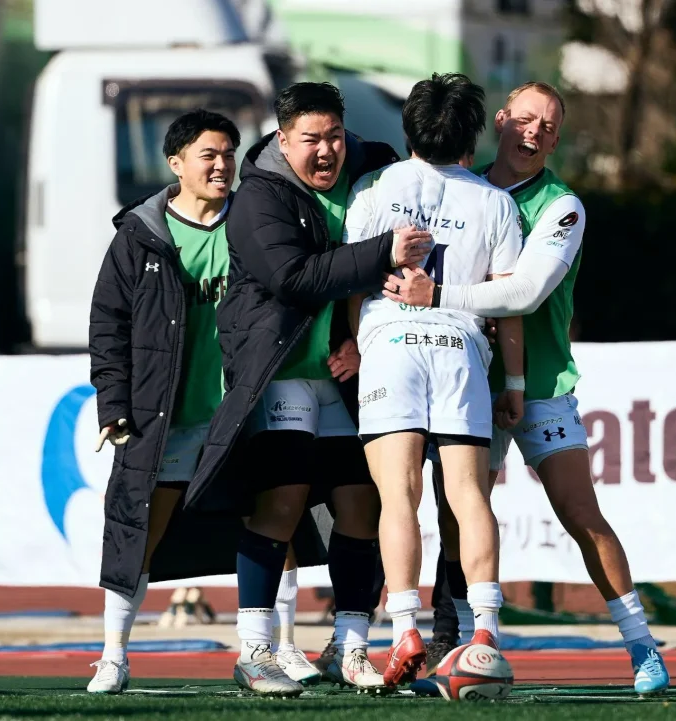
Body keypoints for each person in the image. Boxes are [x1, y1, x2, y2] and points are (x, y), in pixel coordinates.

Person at [383, 81, 672, 696]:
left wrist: (437, 296)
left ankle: (642, 644)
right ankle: (462, 645)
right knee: (460, 512)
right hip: (466, 380)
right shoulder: (463, 186)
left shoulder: (562, 206)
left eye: (548, 124)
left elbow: (525, 292)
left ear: (556, 139)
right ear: (501, 120)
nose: (534, 131)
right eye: (525, 119)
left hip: (538, 384)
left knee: (579, 512)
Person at [182, 82, 432, 698]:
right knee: (283, 504)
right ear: (283, 139)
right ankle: (255, 651)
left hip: (346, 378)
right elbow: (292, 278)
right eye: (311, 140)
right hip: (282, 373)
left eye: (335, 136)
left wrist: (360, 337)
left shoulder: (373, 166)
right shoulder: (257, 196)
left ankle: (349, 646)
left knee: (363, 505)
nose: (326, 151)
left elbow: (419, 195)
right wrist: (383, 251)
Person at [343, 72, 526, 688]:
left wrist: (363, 342)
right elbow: (507, 302)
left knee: (399, 497)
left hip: (392, 343)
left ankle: (404, 631)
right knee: (469, 496)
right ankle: (485, 634)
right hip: (459, 347)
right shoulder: (495, 202)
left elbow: (353, 281)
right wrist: (514, 381)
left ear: (409, 129)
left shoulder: (374, 188)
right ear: (471, 136)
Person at [87, 109, 242, 694]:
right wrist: (114, 405)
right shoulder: (138, 236)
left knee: (273, 525)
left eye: (229, 154)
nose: (222, 165)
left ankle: (272, 651)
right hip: (167, 416)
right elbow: (108, 325)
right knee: (138, 533)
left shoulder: (253, 224)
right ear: (176, 164)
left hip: (242, 414)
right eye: (209, 155)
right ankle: (113, 656)